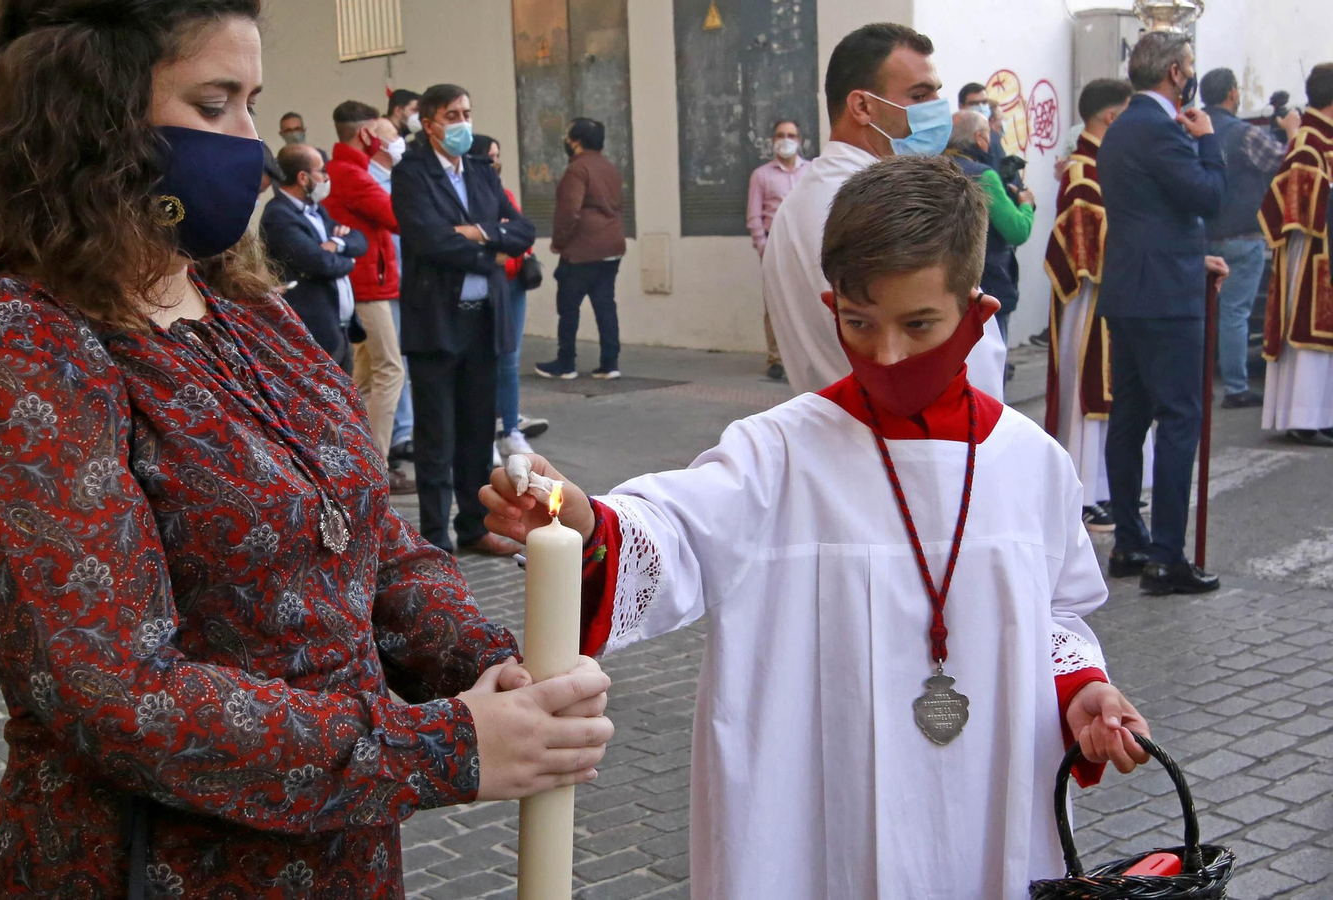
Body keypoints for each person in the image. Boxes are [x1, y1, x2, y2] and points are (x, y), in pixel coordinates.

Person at [0, 4, 612, 894]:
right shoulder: (15, 345)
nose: (250, 141)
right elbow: (118, 693)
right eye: (213, 104)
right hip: (152, 865)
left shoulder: (248, 308)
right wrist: (445, 748)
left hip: (339, 855)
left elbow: (367, 537)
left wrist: (487, 663)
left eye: (252, 101)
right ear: (94, 117)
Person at [483, 155, 1153, 899]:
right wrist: (581, 517)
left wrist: (1082, 688)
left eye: (919, 324)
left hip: (989, 807)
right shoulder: (778, 453)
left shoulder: (1034, 464)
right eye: (859, 323)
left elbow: (1058, 615)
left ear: (976, 310)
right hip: (818, 832)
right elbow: (672, 534)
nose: (886, 354)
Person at [763, 23, 1007, 398]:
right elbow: (967, 363)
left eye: (936, 95)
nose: (937, 112)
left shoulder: (794, 206)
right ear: (862, 106)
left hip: (829, 436)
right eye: (919, 95)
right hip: (913, 442)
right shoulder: (889, 205)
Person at [1097, 31, 1228, 595]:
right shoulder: (1162, 128)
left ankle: (1129, 539)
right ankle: (1167, 555)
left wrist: (1192, 253)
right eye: (1190, 66)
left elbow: (1153, 211)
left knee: (1129, 417)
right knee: (1179, 419)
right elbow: (1207, 196)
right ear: (1176, 72)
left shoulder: (1121, 127)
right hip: (1167, 297)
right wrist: (1209, 140)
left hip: (1129, 286)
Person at [391, 83, 534, 555]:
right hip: (436, 322)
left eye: (467, 112)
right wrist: (489, 251)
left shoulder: (480, 172)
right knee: (437, 437)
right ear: (429, 124)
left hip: (484, 322)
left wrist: (478, 234)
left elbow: (523, 231)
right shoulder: (411, 174)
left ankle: (474, 527)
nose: (462, 123)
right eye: (452, 115)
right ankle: (436, 536)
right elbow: (430, 239)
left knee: (477, 433)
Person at [1043, 78, 1134, 535]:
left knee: (1110, 393)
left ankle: (1106, 488)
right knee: (1086, 392)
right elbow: (1084, 245)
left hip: (1113, 294)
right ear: (1111, 118)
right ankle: (1083, 494)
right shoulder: (1083, 171)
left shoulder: (1101, 164)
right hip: (1089, 298)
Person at [323, 99, 414, 493]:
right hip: (368, 288)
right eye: (384, 135)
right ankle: (376, 465)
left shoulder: (343, 171)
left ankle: (359, 459)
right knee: (390, 370)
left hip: (362, 285)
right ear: (365, 135)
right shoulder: (353, 175)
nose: (392, 143)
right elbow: (399, 216)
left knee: (363, 377)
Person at [1201, 66, 1301, 410]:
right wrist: (1291, 132)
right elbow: (1285, 162)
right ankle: (1236, 386)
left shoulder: (1192, 130)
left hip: (1202, 236)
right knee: (1235, 313)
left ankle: (1199, 385)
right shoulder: (1243, 133)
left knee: (1202, 314)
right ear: (1232, 93)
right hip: (1242, 235)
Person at [1259, 63, 1333, 446]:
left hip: (1324, 250)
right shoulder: (1309, 144)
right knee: (1308, 329)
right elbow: (1299, 207)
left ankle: (1322, 414)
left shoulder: (1322, 140)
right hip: (1311, 255)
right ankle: (1303, 418)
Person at [260, 143, 367, 369]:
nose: (327, 177)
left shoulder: (317, 211)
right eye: (322, 171)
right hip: (315, 330)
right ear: (303, 178)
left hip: (341, 327)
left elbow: (359, 240)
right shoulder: (279, 216)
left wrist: (337, 244)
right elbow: (319, 262)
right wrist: (349, 260)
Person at [469, 134, 543, 461]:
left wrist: (500, 242)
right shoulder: (463, 199)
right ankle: (483, 434)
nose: (496, 163)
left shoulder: (504, 194)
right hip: (483, 283)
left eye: (498, 156)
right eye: (490, 156)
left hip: (512, 283)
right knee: (481, 360)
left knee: (509, 359)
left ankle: (510, 430)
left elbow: (522, 233)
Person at [534, 117, 626, 380]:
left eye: (568, 135)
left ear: (576, 142)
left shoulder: (577, 169)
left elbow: (569, 211)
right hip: (612, 246)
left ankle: (566, 363)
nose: (565, 139)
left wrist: (559, 242)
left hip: (582, 249)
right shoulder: (611, 168)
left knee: (568, 306)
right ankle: (610, 363)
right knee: (605, 304)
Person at [946, 108, 1035, 341]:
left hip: (945, 283)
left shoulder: (935, 166)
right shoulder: (984, 176)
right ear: (980, 138)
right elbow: (1017, 230)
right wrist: (1026, 205)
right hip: (988, 283)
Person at [365, 115, 417, 467]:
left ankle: (404, 430)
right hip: (384, 283)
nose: (399, 140)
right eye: (393, 134)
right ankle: (396, 436)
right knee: (390, 364)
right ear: (374, 139)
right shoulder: (369, 181)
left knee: (400, 361)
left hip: (404, 279)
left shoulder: (399, 179)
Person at [746, 118, 808, 382]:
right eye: (781, 135)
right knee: (774, 304)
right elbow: (753, 216)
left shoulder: (812, 171)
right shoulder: (761, 175)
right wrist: (763, 247)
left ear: (800, 141)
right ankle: (776, 359)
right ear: (772, 142)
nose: (786, 139)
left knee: (806, 301)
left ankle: (805, 357)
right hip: (775, 244)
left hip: (805, 245)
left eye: (791, 135)